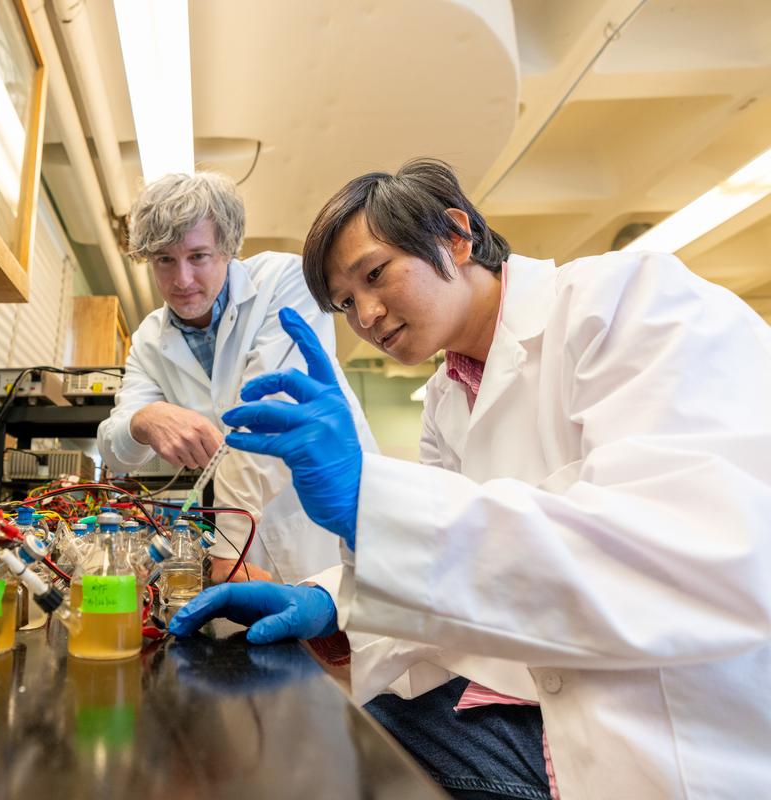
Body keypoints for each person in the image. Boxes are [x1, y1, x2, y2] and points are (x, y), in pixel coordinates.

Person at [170, 159, 771, 799]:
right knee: (324, 739)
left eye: (374, 275)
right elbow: (459, 571)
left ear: (455, 237)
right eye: (345, 304)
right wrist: (331, 603)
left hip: (668, 738)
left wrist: (368, 505)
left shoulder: (629, 303)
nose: (366, 315)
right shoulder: (445, 399)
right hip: (534, 699)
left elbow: (697, 560)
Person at [97, 171, 377, 585]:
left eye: (198, 256)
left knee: (350, 637)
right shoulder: (149, 340)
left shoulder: (285, 282)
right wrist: (144, 420)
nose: (182, 280)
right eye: (165, 260)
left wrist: (228, 548)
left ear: (227, 248)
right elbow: (115, 450)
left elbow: (271, 417)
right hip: (247, 548)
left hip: (324, 525)